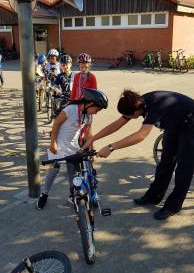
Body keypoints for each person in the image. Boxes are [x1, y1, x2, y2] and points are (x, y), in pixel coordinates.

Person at [82, 89, 194, 220]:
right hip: (175, 124)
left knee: (184, 168)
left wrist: (111, 147)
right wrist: (92, 139)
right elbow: (116, 125)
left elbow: (141, 135)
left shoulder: (154, 106)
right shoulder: (136, 103)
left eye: (128, 116)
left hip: (191, 124)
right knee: (165, 162)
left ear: (135, 113)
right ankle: (154, 196)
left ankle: (173, 206)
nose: (126, 119)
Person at [36, 88, 108, 210]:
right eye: (97, 109)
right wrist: (52, 142)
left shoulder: (88, 115)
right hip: (58, 145)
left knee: (73, 173)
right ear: (89, 103)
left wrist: (91, 148)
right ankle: (44, 195)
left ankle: (73, 194)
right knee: (53, 171)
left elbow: (89, 132)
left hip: (73, 146)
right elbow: (56, 124)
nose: (96, 112)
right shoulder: (70, 110)